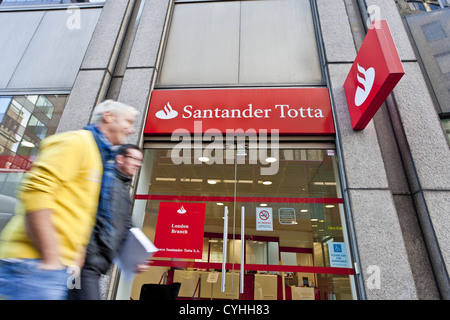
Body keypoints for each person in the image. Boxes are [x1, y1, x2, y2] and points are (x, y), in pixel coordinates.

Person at [0, 100, 139, 300]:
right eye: (128, 121)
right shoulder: (77, 142)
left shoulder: (99, 159)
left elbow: (81, 211)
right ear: (109, 116)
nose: (132, 129)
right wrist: (51, 257)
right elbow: (36, 192)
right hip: (34, 264)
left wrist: (77, 254)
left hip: (56, 267)